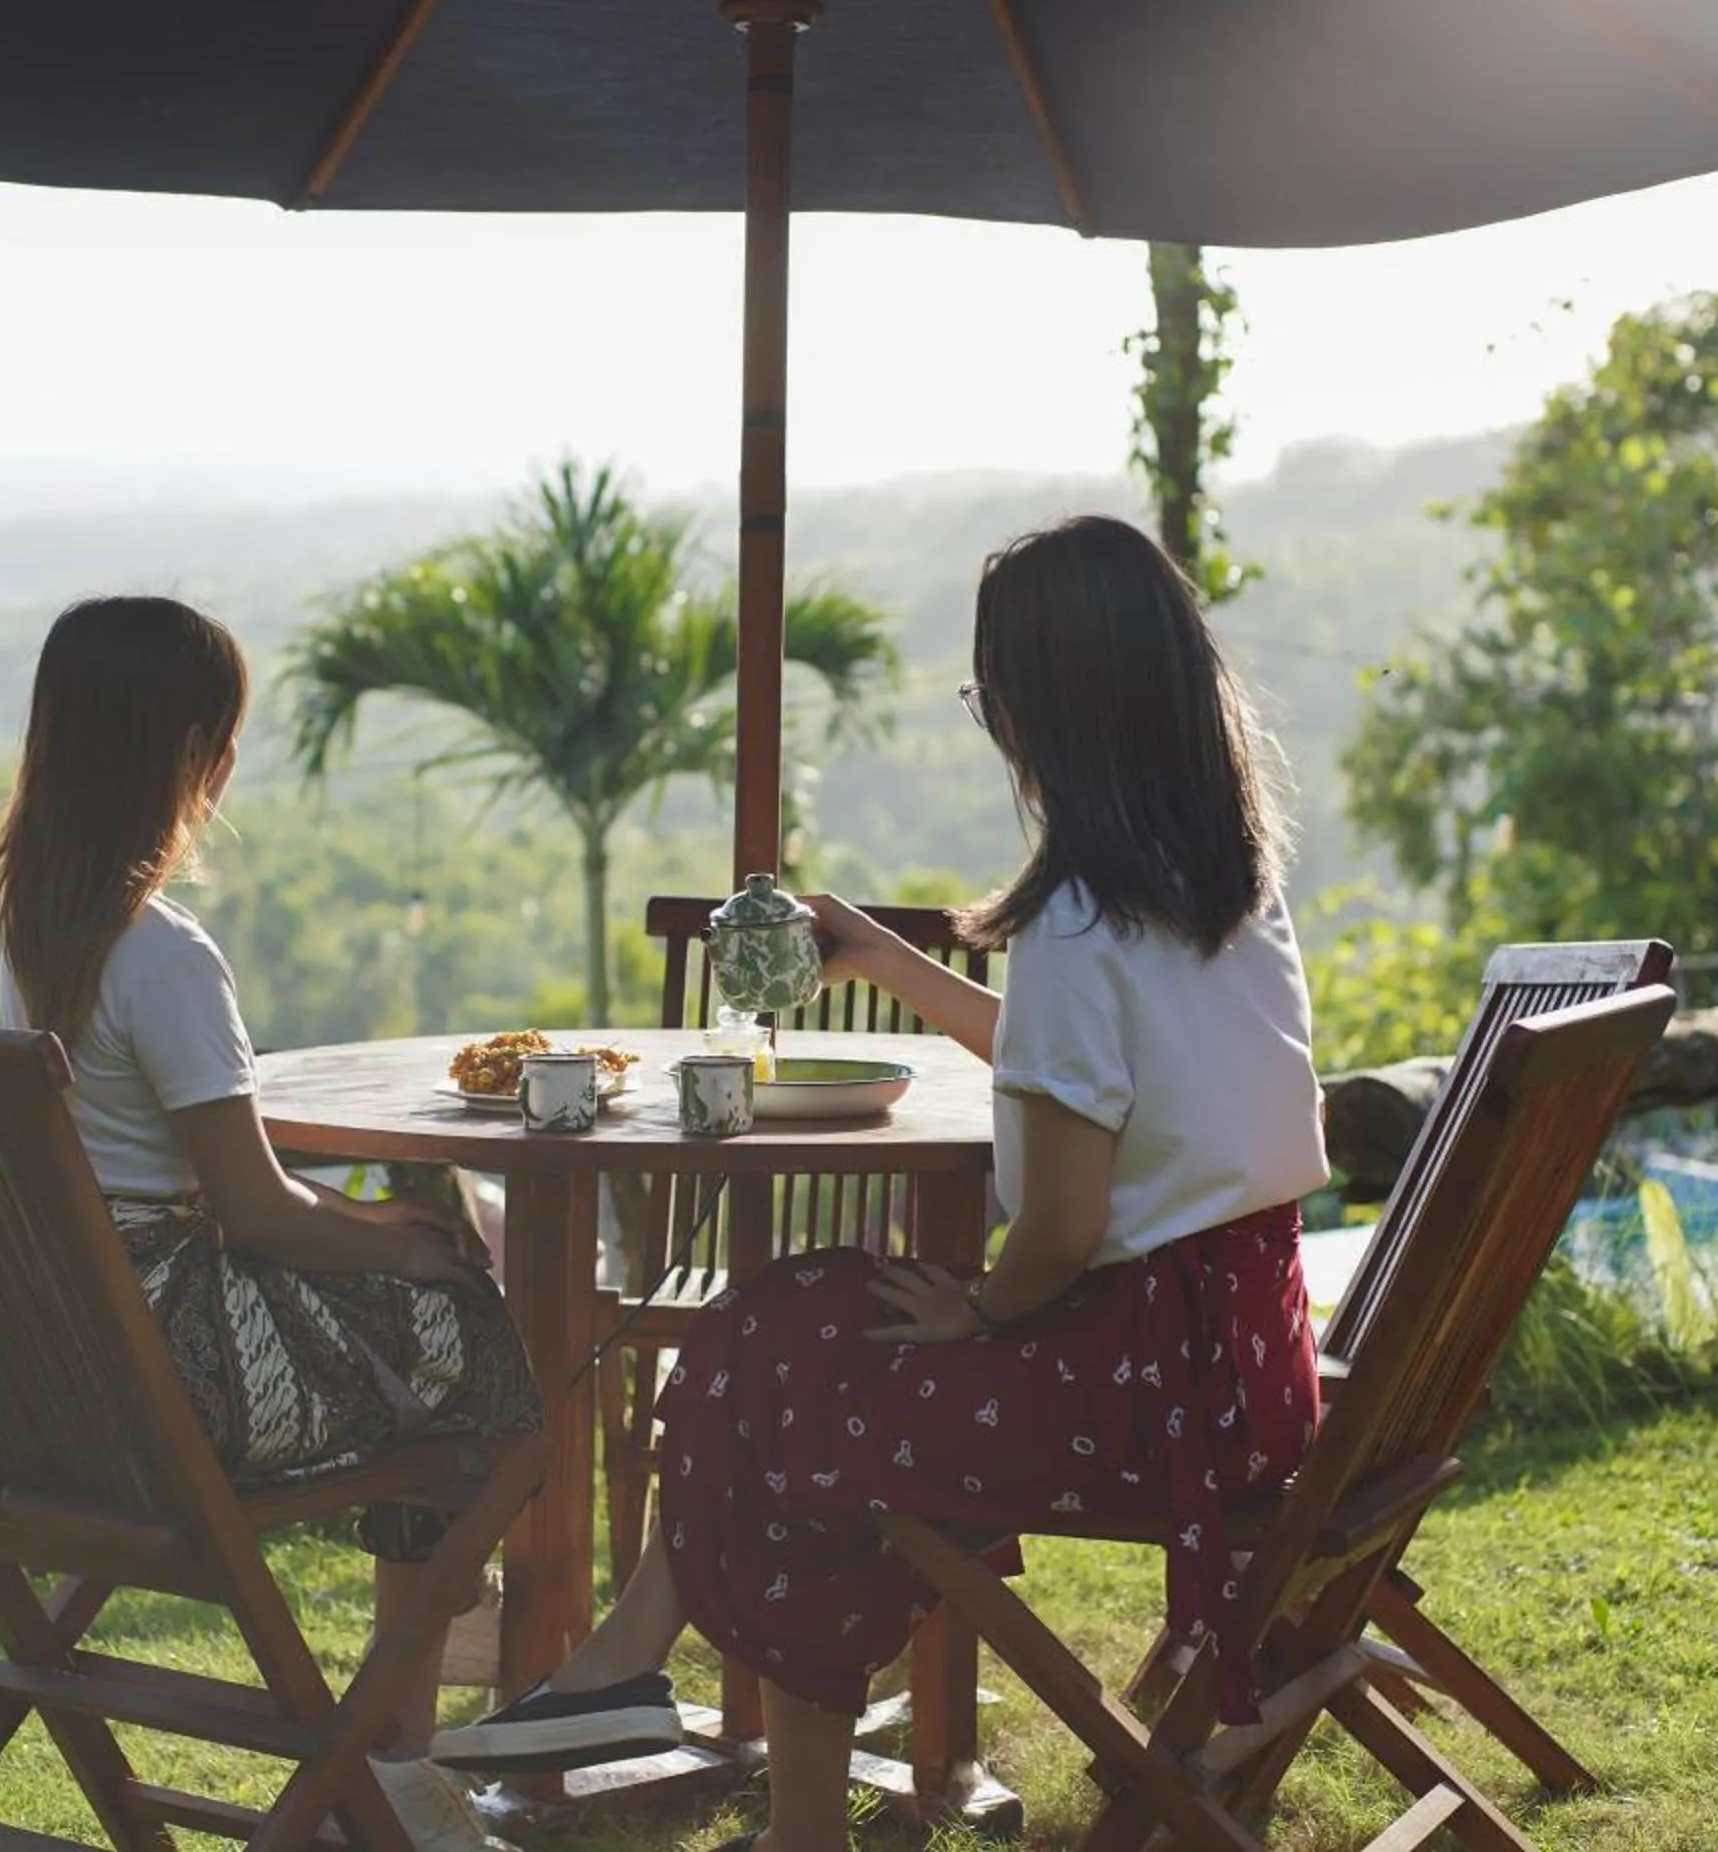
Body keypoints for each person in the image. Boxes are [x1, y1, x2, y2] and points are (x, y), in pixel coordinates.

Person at [432, 516, 1331, 1852]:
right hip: (1240, 1362)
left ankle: (687, 1728)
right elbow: (1066, 1063)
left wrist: (979, 1309)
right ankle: (642, 1686)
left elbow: (1068, 1222)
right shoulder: (1220, 884)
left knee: (781, 1385)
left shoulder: (1080, 920)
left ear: (1044, 711)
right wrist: (886, 960)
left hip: (1145, 1388)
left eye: (990, 698)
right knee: (780, 1325)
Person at [0, 595, 538, 1852]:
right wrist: (405, 1239)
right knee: (478, 1359)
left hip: (76, 1357)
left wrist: (369, 1222)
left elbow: (197, 1171)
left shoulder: (30, 924)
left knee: (434, 1327)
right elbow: (253, 1209)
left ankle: (411, 1716)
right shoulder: (165, 953)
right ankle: (392, 1758)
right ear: (193, 760)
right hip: (183, 1370)